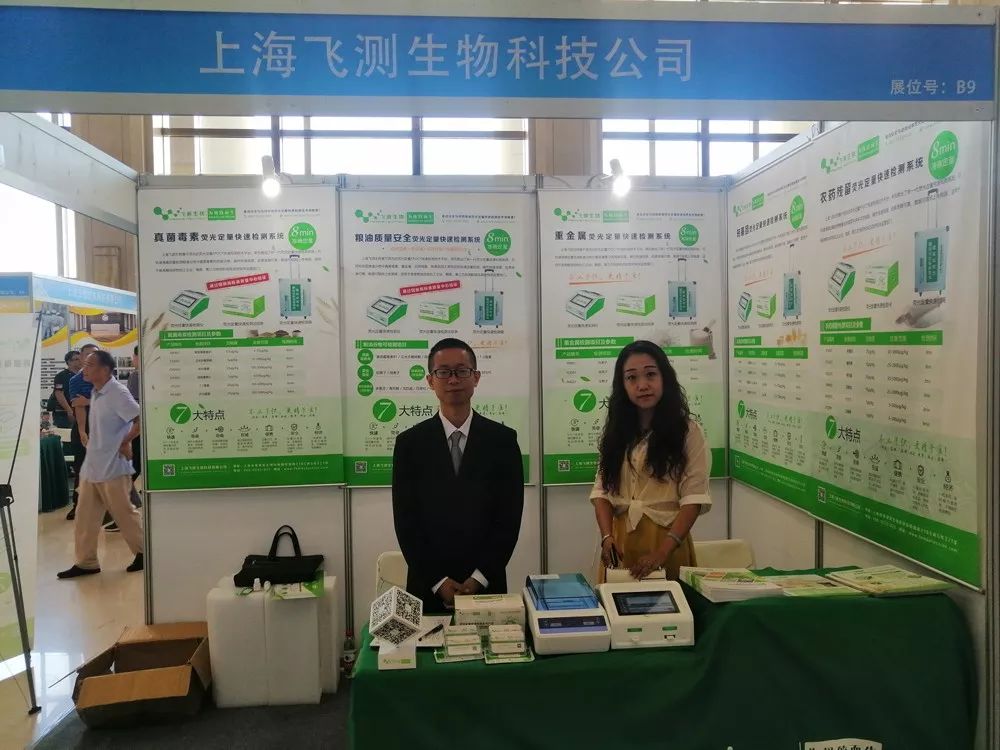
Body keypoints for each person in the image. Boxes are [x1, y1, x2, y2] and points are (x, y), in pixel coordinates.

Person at [392, 338, 524, 612]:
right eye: (443, 372)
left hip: (487, 586)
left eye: (462, 371)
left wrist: (479, 578)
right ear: (430, 381)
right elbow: (406, 523)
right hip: (427, 588)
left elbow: (509, 520)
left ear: (476, 377)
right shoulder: (409, 444)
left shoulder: (503, 441)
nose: (453, 379)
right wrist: (438, 582)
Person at [590, 340, 711, 582]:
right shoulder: (616, 432)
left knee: (668, 605)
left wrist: (662, 553)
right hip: (621, 544)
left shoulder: (688, 431)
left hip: (668, 543)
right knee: (617, 604)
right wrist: (607, 537)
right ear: (622, 385)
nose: (642, 385)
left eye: (650, 374)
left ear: (665, 377)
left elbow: (693, 499)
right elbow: (602, 492)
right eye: (631, 378)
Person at [57, 350, 144, 579]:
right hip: (93, 466)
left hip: (113, 467)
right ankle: (86, 562)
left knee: (124, 513)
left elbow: (140, 420)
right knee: (84, 517)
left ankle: (144, 553)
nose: (83, 368)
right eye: (84, 364)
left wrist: (125, 441)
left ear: (105, 369)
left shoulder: (117, 392)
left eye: (90, 365)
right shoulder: (96, 392)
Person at [65, 343, 99, 520]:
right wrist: (82, 432)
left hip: (103, 427)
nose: (92, 358)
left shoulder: (106, 376)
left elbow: (111, 401)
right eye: (88, 354)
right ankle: (78, 506)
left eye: (95, 354)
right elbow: (78, 406)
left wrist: (89, 401)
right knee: (81, 467)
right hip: (83, 427)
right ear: (81, 356)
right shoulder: (75, 380)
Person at [48, 349, 81, 429]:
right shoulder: (61, 376)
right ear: (69, 362)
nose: (80, 361)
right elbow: (59, 393)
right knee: (66, 434)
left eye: (81, 359)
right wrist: (69, 411)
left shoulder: (84, 375)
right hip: (63, 414)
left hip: (80, 411)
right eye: (77, 359)